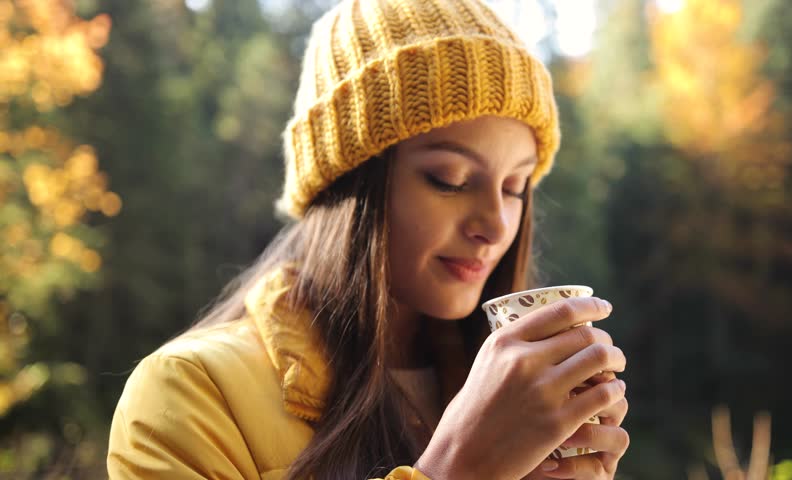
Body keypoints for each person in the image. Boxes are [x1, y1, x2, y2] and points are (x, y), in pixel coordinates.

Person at [106, 0, 629, 478]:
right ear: (350, 183)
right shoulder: (189, 397)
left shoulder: (522, 407)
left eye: (516, 188)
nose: (495, 225)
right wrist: (455, 470)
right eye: (449, 179)